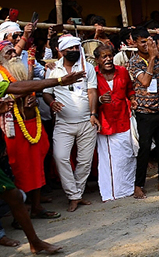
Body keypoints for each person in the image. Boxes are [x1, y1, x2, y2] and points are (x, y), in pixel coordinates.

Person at [42, 35, 98, 212]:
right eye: (70, 49)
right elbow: (46, 92)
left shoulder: (87, 67)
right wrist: (51, 103)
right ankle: (73, 194)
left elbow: (92, 92)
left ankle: (76, 195)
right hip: (63, 123)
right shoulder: (53, 69)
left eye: (76, 48)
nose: (74, 51)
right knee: (60, 157)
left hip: (86, 121)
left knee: (85, 161)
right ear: (61, 51)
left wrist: (93, 114)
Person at [0, 54, 58, 220]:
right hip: (12, 129)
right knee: (18, 169)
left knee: (36, 166)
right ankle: (21, 214)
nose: (14, 55)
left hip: (33, 124)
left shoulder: (24, 73)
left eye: (16, 52)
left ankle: (36, 207)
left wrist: (34, 102)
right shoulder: (1, 75)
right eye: (9, 52)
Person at [127, 27, 159, 199]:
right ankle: (138, 184)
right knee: (145, 149)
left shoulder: (157, 57)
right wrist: (151, 58)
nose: (147, 45)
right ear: (134, 43)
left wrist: (158, 57)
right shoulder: (134, 62)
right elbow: (146, 81)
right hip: (144, 112)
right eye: (143, 42)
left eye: (149, 41)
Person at [93, 45, 136, 201]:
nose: (108, 59)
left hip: (123, 119)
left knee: (127, 156)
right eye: (104, 57)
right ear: (97, 60)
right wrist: (98, 100)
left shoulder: (122, 71)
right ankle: (111, 193)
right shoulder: (93, 75)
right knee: (108, 160)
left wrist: (132, 99)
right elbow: (87, 97)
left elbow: (130, 89)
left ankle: (128, 188)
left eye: (110, 56)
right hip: (105, 123)